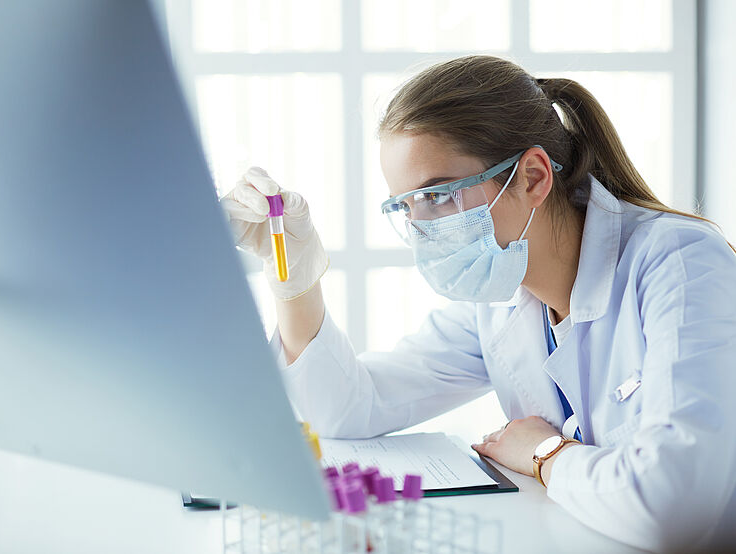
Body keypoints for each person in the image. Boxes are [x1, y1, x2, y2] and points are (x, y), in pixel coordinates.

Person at [220, 55, 736, 552]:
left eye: (437, 195)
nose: (422, 227)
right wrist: (295, 280)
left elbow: (675, 508)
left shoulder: (680, 262)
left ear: (532, 177)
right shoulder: (502, 295)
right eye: (406, 206)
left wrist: (544, 452)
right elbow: (350, 409)